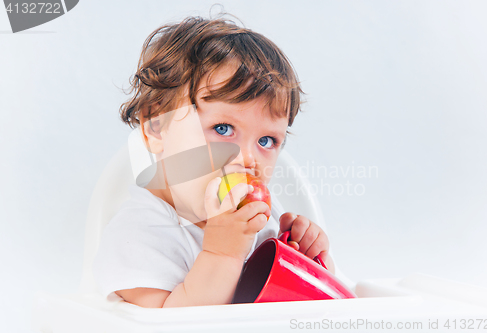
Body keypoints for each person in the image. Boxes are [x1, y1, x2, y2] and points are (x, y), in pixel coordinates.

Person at [92, 15, 335, 308]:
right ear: (156, 126)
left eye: (266, 141)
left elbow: (307, 308)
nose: (247, 159)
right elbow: (169, 324)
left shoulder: (261, 221)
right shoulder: (137, 237)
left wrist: (308, 264)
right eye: (222, 129)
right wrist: (223, 253)